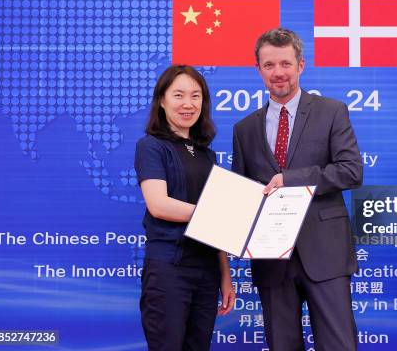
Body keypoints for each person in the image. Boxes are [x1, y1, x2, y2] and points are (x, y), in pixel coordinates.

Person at [232, 28, 363, 350]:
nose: (278, 73)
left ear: (301, 65)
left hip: (325, 254)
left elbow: (351, 171)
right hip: (271, 259)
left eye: (286, 64)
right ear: (258, 69)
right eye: (269, 65)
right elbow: (242, 195)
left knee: (339, 346)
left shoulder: (331, 111)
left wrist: (290, 179)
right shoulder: (244, 129)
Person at [134, 65, 235, 351]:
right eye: (178, 95)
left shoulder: (207, 155)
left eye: (196, 96)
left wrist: (225, 276)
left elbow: (218, 227)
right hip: (169, 269)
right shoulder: (151, 147)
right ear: (162, 101)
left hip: (206, 272)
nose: (188, 104)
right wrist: (215, 213)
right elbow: (159, 205)